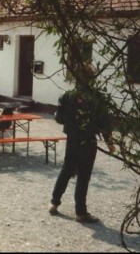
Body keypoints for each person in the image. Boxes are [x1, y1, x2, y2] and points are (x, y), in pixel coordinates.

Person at [49, 64, 115, 223]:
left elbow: (59, 119)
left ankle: (54, 203)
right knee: (84, 175)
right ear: (92, 78)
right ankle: (81, 212)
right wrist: (109, 142)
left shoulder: (67, 95)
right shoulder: (97, 97)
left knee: (67, 169)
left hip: (72, 139)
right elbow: (104, 122)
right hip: (88, 140)